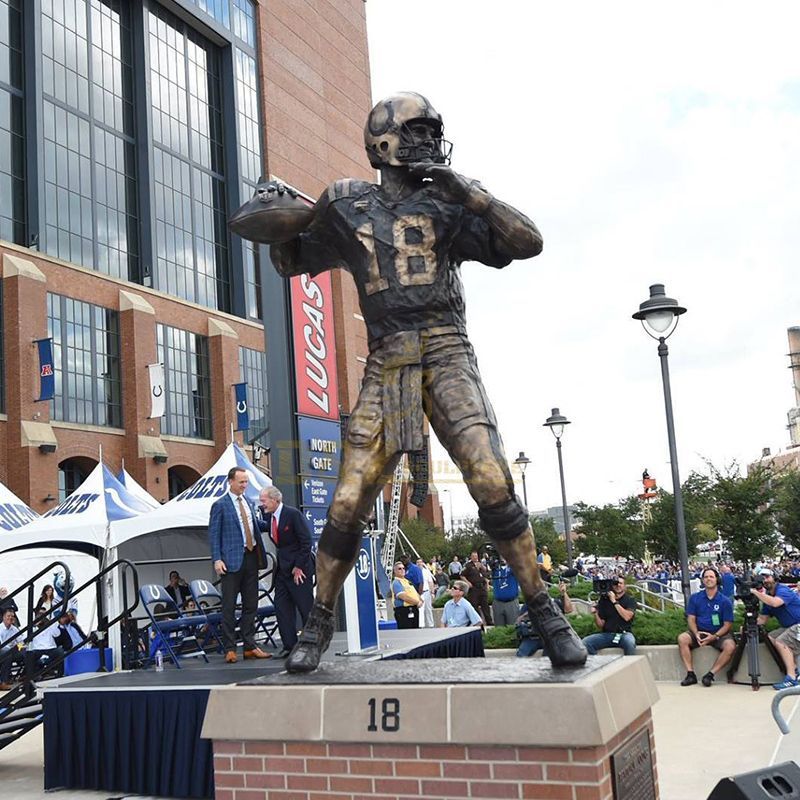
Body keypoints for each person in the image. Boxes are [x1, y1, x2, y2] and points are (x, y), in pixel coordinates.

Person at [260, 91, 585, 672]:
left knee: (491, 479)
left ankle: (542, 607)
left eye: (431, 131)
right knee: (348, 498)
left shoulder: (448, 200)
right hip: (386, 358)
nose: (428, 142)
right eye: (415, 131)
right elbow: (290, 262)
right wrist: (277, 222)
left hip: (445, 346)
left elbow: (528, 241)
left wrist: (473, 194)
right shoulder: (344, 203)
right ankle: (318, 620)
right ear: (382, 143)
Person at [208, 467, 272, 663]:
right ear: (231, 482)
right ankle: (230, 648)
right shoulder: (220, 505)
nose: (245, 485)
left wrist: (275, 517)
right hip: (230, 562)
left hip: (251, 558)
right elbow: (213, 534)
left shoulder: (249, 502)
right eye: (241, 482)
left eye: (246, 482)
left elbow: (256, 525)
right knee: (228, 606)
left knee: (250, 604)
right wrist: (217, 559)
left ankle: (250, 646)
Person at [259, 486, 315, 658]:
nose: (262, 504)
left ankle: (312, 647)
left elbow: (306, 542)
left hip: (300, 570)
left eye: (264, 500)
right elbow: (268, 529)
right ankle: (289, 646)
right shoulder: (269, 517)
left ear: (275, 500)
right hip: (282, 571)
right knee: (281, 608)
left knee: (305, 609)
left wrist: (299, 567)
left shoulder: (293, 514)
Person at [677, 567, 735, 687]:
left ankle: (710, 675)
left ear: (717, 580)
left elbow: (727, 624)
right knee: (682, 638)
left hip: (718, 634)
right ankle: (690, 674)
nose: (708, 579)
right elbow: (691, 618)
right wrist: (696, 632)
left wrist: (714, 636)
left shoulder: (725, 601)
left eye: (711, 577)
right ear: (702, 580)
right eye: (706, 577)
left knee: (730, 646)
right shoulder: (695, 598)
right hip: (699, 632)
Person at [752, 568, 800, 689]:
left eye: (767, 577)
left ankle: (791, 678)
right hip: (791, 627)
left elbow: (775, 603)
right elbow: (762, 619)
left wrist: (755, 593)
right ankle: (795, 669)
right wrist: (749, 623)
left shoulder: (783, 590)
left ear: (775, 578)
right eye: (762, 578)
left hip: (798, 625)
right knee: (771, 637)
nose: (765, 580)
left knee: (781, 641)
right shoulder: (768, 596)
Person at [516, 582, 574, 657]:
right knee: (521, 654)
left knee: (549, 656)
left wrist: (564, 593)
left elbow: (568, 610)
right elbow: (519, 620)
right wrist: (529, 613)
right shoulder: (528, 604)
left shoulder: (553, 602)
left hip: (552, 637)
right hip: (534, 637)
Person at [582, 578, 637, 656]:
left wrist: (614, 601)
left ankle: (630, 664)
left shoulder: (630, 600)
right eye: (615, 584)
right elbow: (601, 625)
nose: (618, 585)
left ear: (625, 586)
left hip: (624, 634)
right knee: (586, 642)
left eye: (620, 583)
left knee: (630, 641)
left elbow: (627, 617)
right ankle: (598, 664)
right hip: (607, 634)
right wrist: (595, 613)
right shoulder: (604, 600)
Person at [462, 550, 493, 625]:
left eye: (476, 556)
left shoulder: (481, 564)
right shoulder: (468, 565)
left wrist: (482, 567)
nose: (475, 558)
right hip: (474, 588)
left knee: (485, 605)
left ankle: (489, 621)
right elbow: (462, 575)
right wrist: (467, 582)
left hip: (482, 587)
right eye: (473, 556)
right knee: (474, 605)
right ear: (471, 557)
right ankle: (479, 621)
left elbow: (486, 574)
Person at [390, 562, 422, 629]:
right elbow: (403, 596)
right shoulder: (396, 582)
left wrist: (420, 599)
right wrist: (417, 602)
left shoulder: (407, 581)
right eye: (399, 569)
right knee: (406, 632)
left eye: (403, 568)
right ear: (395, 571)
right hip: (403, 611)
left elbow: (414, 592)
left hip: (413, 609)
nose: (402, 570)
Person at [492, 558, 521, 627]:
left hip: (511, 603)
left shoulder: (513, 570)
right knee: (499, 629)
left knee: (512, 628)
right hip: (498, 603)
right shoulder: (495, 569)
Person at [0, 607, 22, 690]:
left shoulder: (14, 629)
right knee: (7, 654)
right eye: (8, 616)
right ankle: (3, 682)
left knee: (27, 652)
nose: (10, 618)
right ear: (3, 617)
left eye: (12, 616)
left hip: (12, 651)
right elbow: (2, 645)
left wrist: (20, 647)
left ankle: (25, 675)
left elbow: (21, 641)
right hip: (3, 650)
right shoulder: (0, 628)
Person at [416, 558, 435, 628]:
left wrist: (432, 592)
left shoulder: (426, 572)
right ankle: (421, 625)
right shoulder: (415, 572)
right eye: (417, 562)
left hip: (426, 592)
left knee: (428, 609)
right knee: (420, 610)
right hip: (418, 593)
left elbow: (430, 582)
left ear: (422, 563)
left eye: (420, 562)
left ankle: (431, 625)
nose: (419, 564)